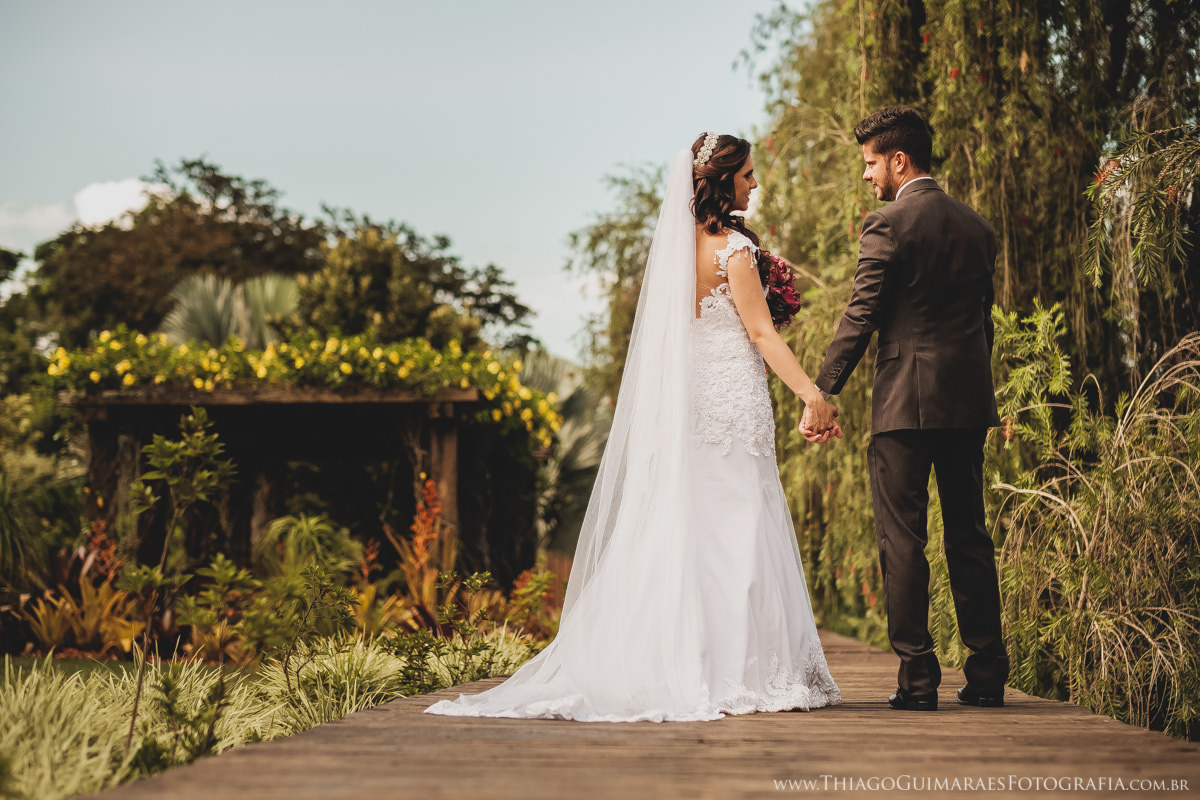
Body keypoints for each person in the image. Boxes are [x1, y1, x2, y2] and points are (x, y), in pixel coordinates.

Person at [425, 133, 842, 721]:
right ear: (722, 181)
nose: (755, 184)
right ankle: (736, 670)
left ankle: (684, 660)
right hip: (732, 406)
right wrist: (812, 395)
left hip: (691, 406)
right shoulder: (735, 252)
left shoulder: (676, 252)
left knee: (691, 525)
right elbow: (761, 334)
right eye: (748, 174)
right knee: (740, 524)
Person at [802, 106, 1009, 711]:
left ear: (899, 160)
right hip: (968, 402)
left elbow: (861, 315)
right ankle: (988, 675)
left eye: (870, 164)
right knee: (970, 535)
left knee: (903, 541)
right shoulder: (977, 227)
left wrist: (823, 389)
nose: (867, 176)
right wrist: (976, 390)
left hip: (902, 408)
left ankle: (918, 680)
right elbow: (981, 324)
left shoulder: (887, 224)